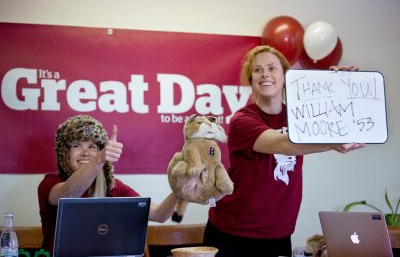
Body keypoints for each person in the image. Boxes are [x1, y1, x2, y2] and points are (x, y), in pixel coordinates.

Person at [203, 45, 365, 257]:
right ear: (251, 78)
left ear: (285, 76)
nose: (265, 74)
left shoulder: (299, 116)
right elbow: (282, 144)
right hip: (233, 233)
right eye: (258, 70)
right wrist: (333, 144)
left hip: (278, 234)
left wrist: (339, 84)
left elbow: (331, 116)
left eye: (272, 68)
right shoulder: (243, 120)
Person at [38, 115, 178, 253]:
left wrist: (180, 190)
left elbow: (159, 214)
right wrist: (99, 159)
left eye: (92, 147)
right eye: (77, 146)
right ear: (65, 153)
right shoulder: (50, 183)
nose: (86, 153)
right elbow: (68, 193)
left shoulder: (112, 186)